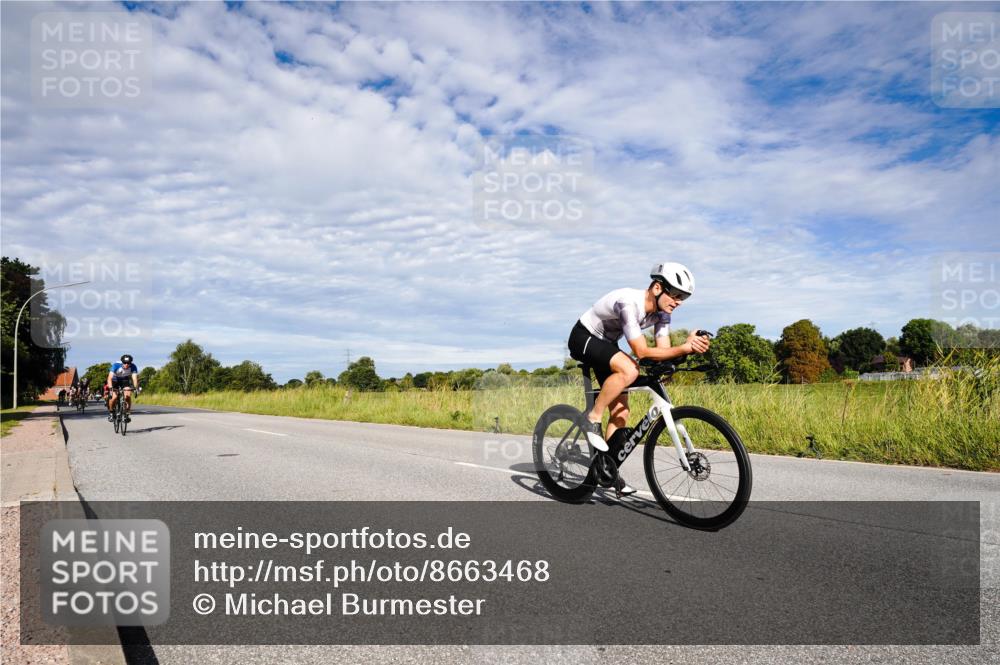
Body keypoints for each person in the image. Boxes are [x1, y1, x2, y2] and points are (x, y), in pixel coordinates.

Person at [567, 262, 711, 495]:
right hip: (584, 336)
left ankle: (608, 470)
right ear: (657, 288)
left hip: (607, 343)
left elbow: (662, 350)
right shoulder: (629, 303)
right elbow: (642, 351)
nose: (679, 301)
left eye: (684, 297)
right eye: (676, 294)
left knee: (621, 412)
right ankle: (592, 417)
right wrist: (684, 348)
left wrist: (685, 350)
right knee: (630, 370)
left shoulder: (663, 315)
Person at [106, 354, 140, 422]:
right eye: (124, 363)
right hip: (115, 380)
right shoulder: (116, 365)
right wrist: (110, 388)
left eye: (128, 363)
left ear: (131, 363)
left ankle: (127, 414)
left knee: (127, 396)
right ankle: (111, 412)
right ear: (122, 362)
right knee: (114, 397)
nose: (126, 364)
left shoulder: (133, 366)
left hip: (125, 380)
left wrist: (136, 388)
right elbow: (109, 378)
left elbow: (134, 378)